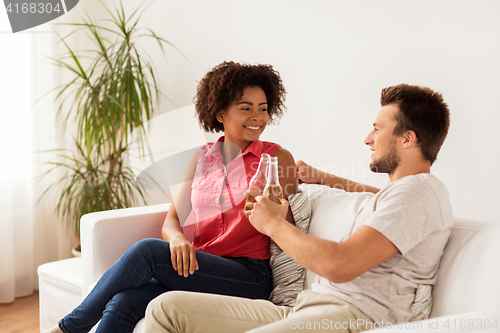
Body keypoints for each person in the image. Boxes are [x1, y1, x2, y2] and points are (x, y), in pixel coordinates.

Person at [143, 83, 453, 333]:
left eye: (377, 129)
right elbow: (383, 196)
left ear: (407, 139)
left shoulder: (420, 193)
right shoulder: (401, 194)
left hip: (351, 316)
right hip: (309, 305)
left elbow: (339, 266)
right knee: (165, 309)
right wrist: (325, 178)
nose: (368, 139)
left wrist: (274, 225)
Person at [43, 61, 298, 333]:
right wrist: (177, 239)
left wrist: (278, 212)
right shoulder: (201, 157)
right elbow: (172, 220)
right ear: (220, 113)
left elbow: (291, 228)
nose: (257, 117)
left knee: (148, 252)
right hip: (200, 265)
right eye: (246, 108)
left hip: (249, 276)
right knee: (123, 302)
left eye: (263, 108)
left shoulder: (276, 158)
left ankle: (68, 328)